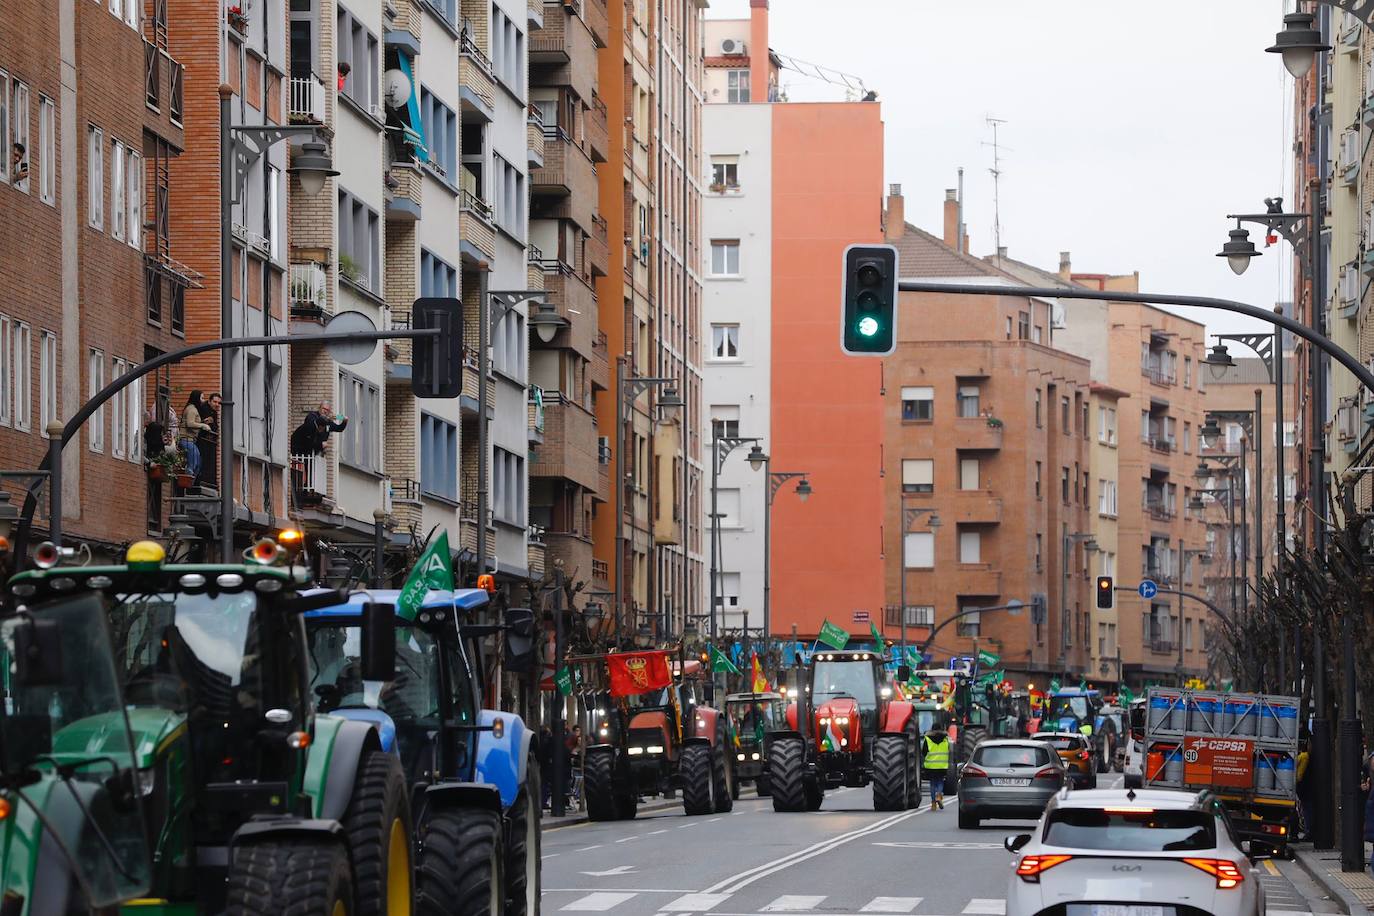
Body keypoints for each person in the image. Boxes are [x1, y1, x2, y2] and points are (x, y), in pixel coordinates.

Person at [179, 391, 209, 481]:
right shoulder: (192, 409)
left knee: (197, 462)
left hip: (190, 440)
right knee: (193, 463)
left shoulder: (192, 408)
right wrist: (203, 425)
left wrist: (202, 422)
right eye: (202, 398)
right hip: (186, 439)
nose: (203, 400)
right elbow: (190, 423)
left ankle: (190, 481)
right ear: (196, 398)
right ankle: (187, 482)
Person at [923, 725, 951, 810]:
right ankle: (939, 796)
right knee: (940, 781)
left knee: (932, 783)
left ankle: (933, 804)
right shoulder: (945, 739)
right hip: (942, 765)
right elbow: (948, 749)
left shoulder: (927, 739)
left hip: (931, 765)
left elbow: (924, 752)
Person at [197, 392, 220, 487]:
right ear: (209, 401)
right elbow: (206, 424)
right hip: (202, 440)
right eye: (215, 402)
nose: (217, 404)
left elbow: (214, 426)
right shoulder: (203, 409)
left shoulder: (213, 412)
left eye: (218, 403)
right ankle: (201, 480)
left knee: (209, 462)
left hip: (209, 441)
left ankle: (209, 481)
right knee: (203, 461)